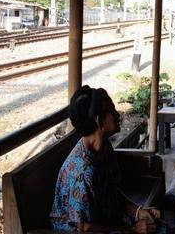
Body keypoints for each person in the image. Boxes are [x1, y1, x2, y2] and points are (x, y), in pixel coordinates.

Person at [50, 86, 161, 233]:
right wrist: (132, 229)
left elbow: (111, 190)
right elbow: (86, 228)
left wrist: (138, 210)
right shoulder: (83, 174)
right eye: (112, 111)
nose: (117, 115)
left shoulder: (103, 147)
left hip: (103, 219)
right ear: (99, 121)